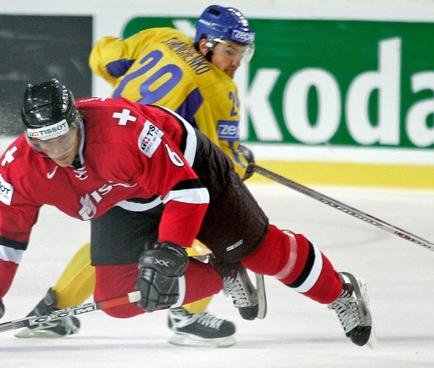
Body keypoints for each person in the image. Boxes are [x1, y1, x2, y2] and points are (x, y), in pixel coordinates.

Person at [0, 78, 374, 359]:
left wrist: (170, 252)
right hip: (121, 197)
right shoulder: (16, 169)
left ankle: (340, 291)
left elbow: (186, 192)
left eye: (62, 135)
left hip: (188, 170)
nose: (56, 149)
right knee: (119, 299)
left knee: (263, 253)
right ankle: (224, 272)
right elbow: (4, 239)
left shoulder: (122, 133)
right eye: (43, 141)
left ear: (77, 120)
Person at [14, 5, 264, 347]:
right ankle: (188, 316)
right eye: (230, 51)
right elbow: (222, 163)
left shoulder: (163, 38)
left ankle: (54, 309)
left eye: (240, 53)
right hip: (152, 169)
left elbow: (104, 58)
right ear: (205, 44)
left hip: (102, 156)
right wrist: (240, 159)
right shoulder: (219, 88)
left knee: (111, 246)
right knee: (201, 232)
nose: (235, 61)